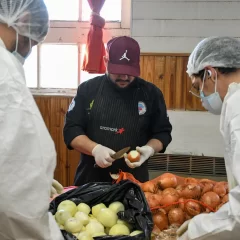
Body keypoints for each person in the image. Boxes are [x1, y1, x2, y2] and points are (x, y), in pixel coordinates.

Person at [63, 36, 172, 186]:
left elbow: (163, 133)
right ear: (106, 61)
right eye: (118, 71)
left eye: (129, 71)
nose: (124, 77)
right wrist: (95, 149)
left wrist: (149, 149)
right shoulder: (88, 90)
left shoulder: (151, 94)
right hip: (90, 180)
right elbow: (71, 130)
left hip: (134, 182)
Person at [0, 1, 64, 239]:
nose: (27, 51)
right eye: (32, 42)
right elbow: (15, 201)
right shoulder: (5, 72)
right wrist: (30, 182)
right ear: (23, 20)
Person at [177, 36, 240, 240]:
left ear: (210, 73)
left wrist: (197, 231)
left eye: (198, 86)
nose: (201, 96)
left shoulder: (237, 108)